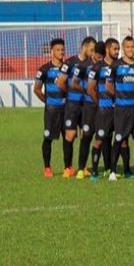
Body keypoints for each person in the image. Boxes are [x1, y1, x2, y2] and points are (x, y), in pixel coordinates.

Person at [58, 36, 98, 178]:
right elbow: (60, 82)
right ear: (83, 47)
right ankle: (67, 167)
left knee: (85, 135)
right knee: (70, 135)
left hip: (86, 104)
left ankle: (83, 166)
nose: (93, 52)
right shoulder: (69, 63)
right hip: (73, 104)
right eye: (91, 50)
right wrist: (70, 93)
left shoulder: (92, 64)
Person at [108, 36, 134, 180]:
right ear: (123, 48)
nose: (130, 49)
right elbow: (108, 85)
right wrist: (119, 97)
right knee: (119, 139)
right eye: (128, 47)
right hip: (122, 109)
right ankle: (112, 171)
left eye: (133, 47)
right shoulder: (116, 65)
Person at [33, 38, 67, 177]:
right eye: (58, 50)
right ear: (52, 51)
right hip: (52, 109)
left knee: (68, 138)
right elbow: (37, 89)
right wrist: (47, 101)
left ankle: (68, 167)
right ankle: (47, 167)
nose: (61, 52)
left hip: (66, 109)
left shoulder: (68, 68)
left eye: (62, 49)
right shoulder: (44, 69)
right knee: (48, 138)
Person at [87, 39, 119, 181]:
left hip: (118, 110)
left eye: (118, 49)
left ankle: (113, 170)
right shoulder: (97, 67)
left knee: (120, 140)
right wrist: (99, 102)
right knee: (99, 140)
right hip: (104, 110)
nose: (117, 52)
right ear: (107, 49)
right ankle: (94, 171)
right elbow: (90, 89)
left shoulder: (120, 66)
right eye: (115, 49)